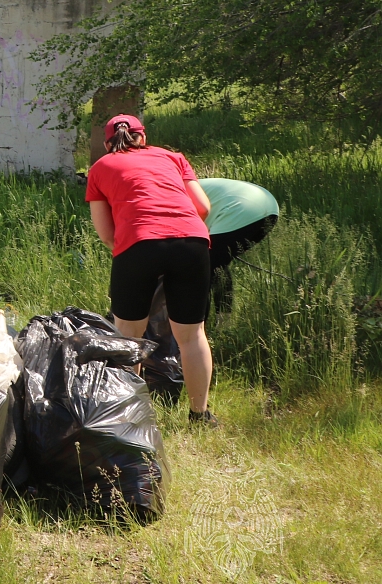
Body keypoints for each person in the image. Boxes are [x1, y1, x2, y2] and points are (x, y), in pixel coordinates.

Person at [85, 114, 218, 427]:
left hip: (138, 244)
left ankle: (133, 419)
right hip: (192, 242)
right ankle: (200, 415)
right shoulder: (172, 157)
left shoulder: (101, 167)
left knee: (129, 337)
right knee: (192, 334)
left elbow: (106, 233)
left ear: (108, 143)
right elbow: (203, 208)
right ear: (142, 137)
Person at [197, 178, 279, 314]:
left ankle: (196, 330)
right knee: (217, 265)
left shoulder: (162, 196)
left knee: (201, 270)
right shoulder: (175, 186)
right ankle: (223, 322)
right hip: (268, 206)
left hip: (239, 208)